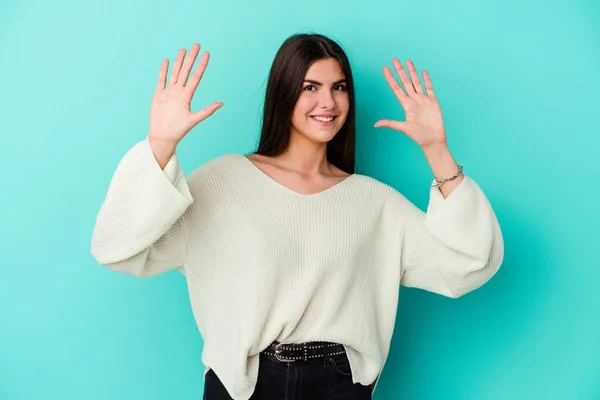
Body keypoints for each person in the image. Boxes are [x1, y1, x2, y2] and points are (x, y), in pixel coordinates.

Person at [91, 33, 504, 400]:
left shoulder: (374, 203)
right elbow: (119, 249)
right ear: (284, 92)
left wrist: (437, 149)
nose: (328, 102)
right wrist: (160, 145)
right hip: (242, 387)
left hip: (339, 385)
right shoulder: (222, 182)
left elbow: (469, 264)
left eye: (339, 87)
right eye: (311, 87)